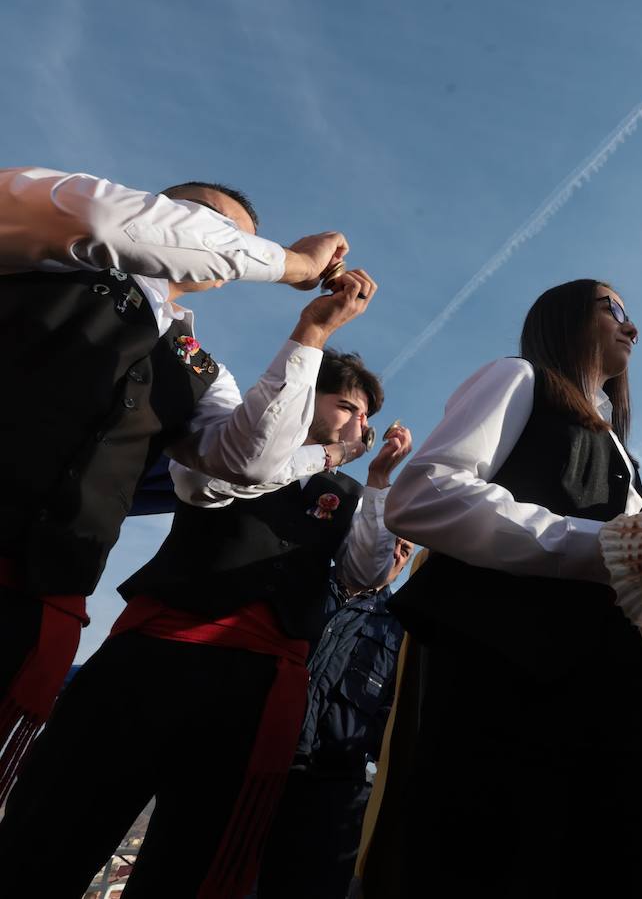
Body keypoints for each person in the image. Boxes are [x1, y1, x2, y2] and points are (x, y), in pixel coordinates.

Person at [0, 166, 365, 789]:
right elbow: (116, 224)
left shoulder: (198, 367)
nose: (227, 247)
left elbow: (247, 464)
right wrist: (293, 263)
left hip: (41, 590)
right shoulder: (51, 224)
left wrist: (311, 334)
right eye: (217, 228)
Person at [0, 350, 409, 898]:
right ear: (307, 396)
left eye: (366, 417)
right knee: (58, 824)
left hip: (257, 685)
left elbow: (364, 572)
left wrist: (378, 480)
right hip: (156, 657)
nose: (363, 426)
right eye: (349, 408)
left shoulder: (351, 496)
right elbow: (220, 480)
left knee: (195, 862)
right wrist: (327, 452)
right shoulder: (228, 439)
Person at [377, 279, 642, 896]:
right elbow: (423, 493)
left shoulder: (623, 450)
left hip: (608, 691)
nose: (631, 325)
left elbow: (625, 571)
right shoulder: (519, 377)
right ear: (562, 319)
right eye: (612, 308)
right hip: (507, 677)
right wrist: (604, 547)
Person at [254, 537, 414, 899]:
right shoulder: (303, 587)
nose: (396, 554)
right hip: (254, 765)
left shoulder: (399, 628)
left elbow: (393, 713)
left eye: (406, 550)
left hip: (331, 787)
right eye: (391, 542)